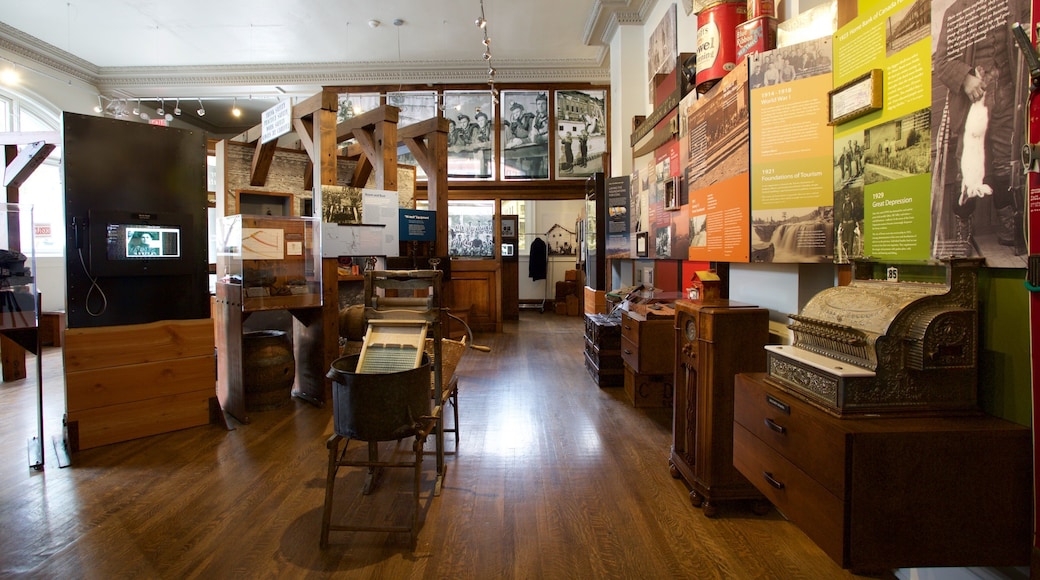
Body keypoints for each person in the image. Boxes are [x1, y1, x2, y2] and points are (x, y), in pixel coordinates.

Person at [934, 0, 1028, 255]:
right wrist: (965, 78)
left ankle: (1010, 223)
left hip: (1008, 99)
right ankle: (963, 227)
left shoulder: (1016, 3)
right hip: (970, 103)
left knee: (1006, 163)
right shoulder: (954, 12)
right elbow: (941, 62)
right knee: (967, 169)